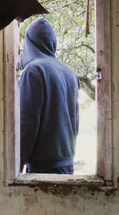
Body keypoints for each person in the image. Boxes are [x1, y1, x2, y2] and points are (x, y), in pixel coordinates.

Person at [19, 18, 80, 175]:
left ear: (29, 43)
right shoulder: (70, 73)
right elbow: (75, 123)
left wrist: (15, 166)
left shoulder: (34, 70)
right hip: (67, 165)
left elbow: (27, 124)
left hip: (42, 168)